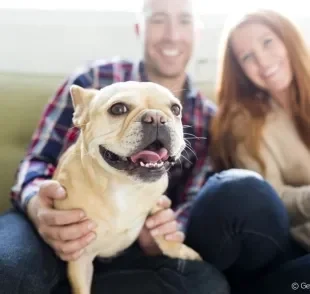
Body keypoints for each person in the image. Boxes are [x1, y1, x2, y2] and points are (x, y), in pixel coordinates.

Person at [0, 0, 230, 293]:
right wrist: (38, 206)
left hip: (133, 245)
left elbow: (196, 199)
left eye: (184, 20)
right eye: (159, 19)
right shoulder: (92, 80)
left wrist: (168, 229)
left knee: (209, 286)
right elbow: (36, 158)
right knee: (6, 268)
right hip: (53, 223)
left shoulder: (209, 119)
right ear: (140, 28)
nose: (172, 34)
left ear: (198, 32)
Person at [198, 8, 310, 293]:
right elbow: (270, 200)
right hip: (291, 251)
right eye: (247, 57)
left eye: (268, 42)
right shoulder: (244, 122)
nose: (263, 61)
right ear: (239, 69)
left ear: (287, 38)